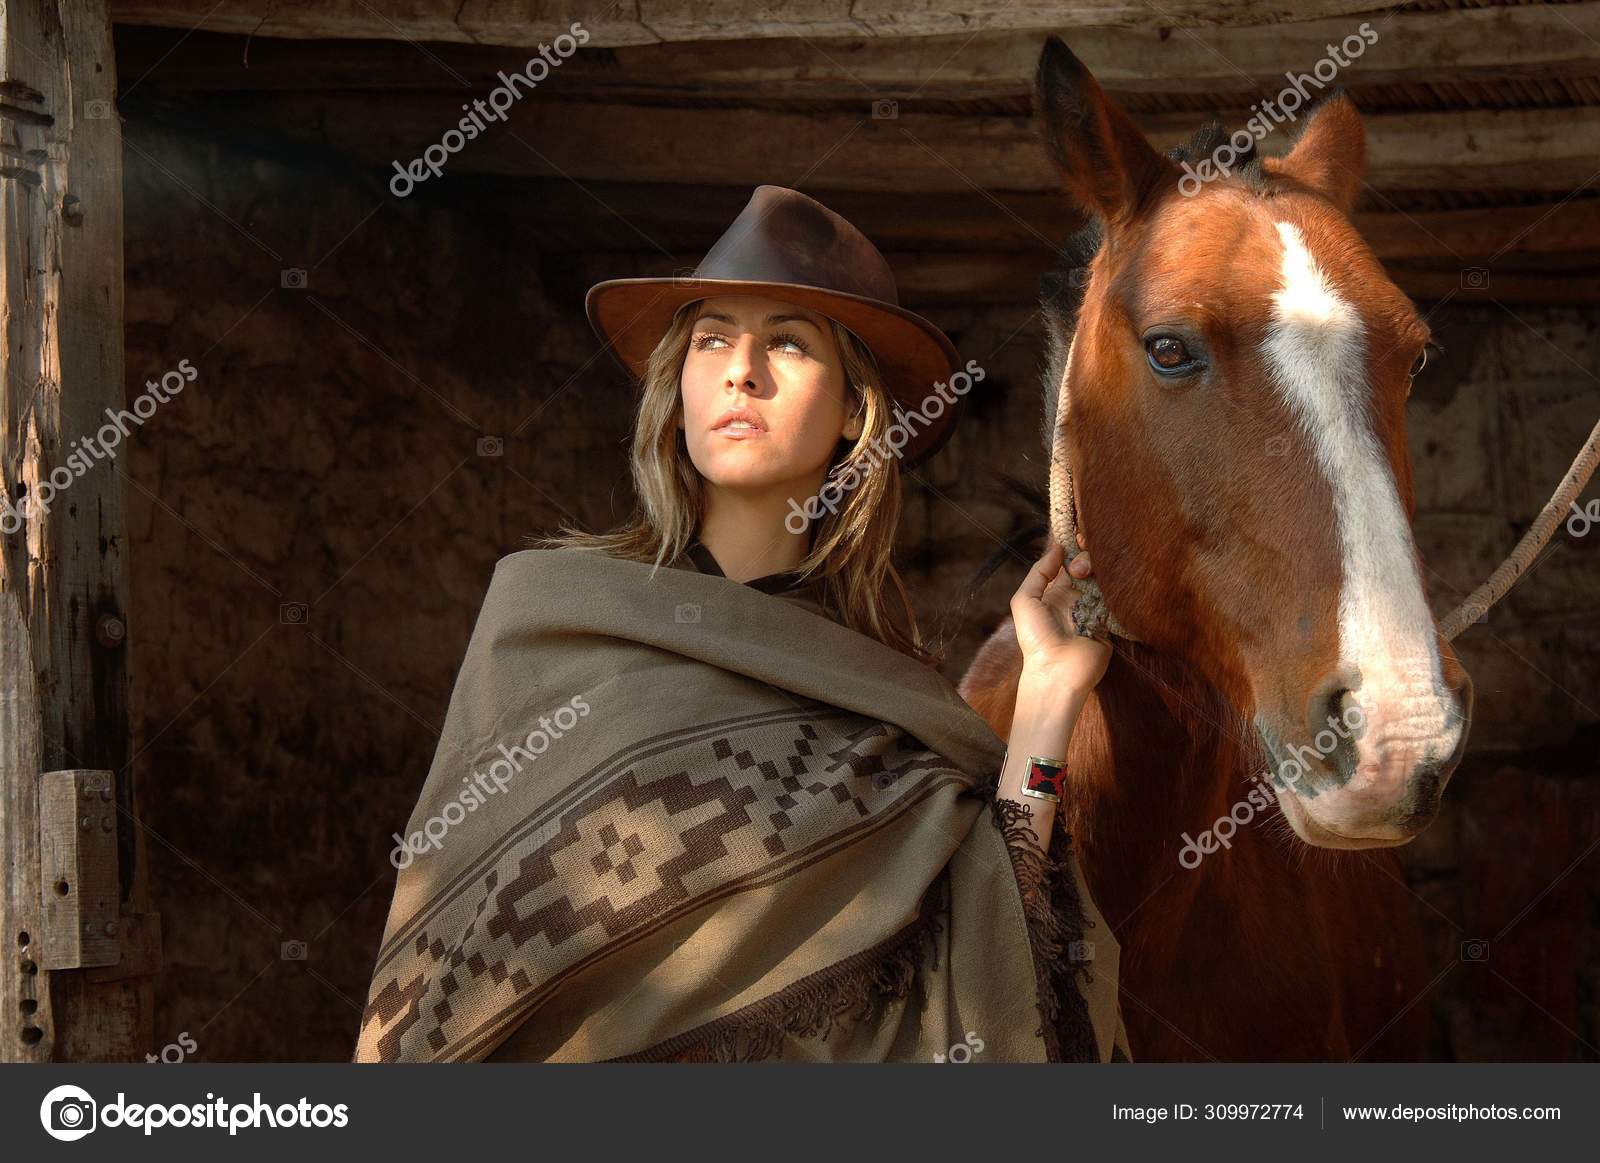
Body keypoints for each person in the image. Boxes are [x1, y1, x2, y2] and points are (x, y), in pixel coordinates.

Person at [352, 186, 1129, 1063]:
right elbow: (444, 966)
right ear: (677, 386)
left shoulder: (893, 709)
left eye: (788, 342)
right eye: (712, 337)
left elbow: (988, 976)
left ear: (853, 411)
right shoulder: (546, 624)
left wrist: (1047, 700)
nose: (741, 369)